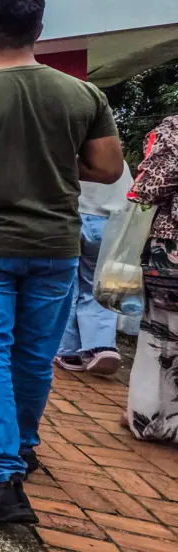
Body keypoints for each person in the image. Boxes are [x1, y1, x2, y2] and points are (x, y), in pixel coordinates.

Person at [0, 0, 124, 524]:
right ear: (38, 33)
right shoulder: (83, 95)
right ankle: (25, 447)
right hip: (54, 246)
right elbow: (107, 168)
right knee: (34, 356)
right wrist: (55, 164)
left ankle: (1, 475)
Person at [126, 115, 178, 444]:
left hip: (172, 247)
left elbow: (149, 187)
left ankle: (150, 417)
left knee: (161, 334)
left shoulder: (174, 129)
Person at [54, 161, 133, 375]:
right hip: (108, 224)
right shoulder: (116, 162)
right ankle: (101, 346)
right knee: (98, 284)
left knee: (66, 285)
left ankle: (67, 349)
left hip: (69, 218)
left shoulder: (70, 152)